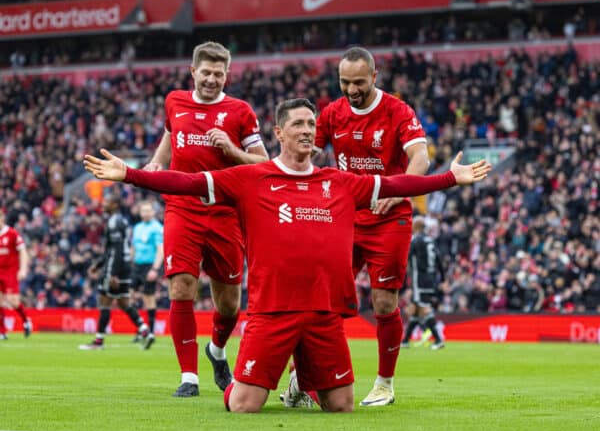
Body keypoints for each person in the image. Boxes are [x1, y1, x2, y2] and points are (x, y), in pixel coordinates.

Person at [83, 98, 491, 412]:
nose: (308, 130)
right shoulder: (250, 178)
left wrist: (451, 178)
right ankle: (243, 379)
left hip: (324, 314)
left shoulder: (341, 182)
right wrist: (132, 175)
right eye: (298, 123)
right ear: (278, 131)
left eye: (312, 124)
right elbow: (188, 182)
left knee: (341, 406)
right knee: (245, 405)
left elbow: (400, 186)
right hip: (271, 313)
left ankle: (298, 384)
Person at [144, 41, 269, 396]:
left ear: (226, 75)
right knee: (181, 286)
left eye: (219, 73)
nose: (212, 79)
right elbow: (170, 137)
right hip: (182, 206)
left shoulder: (240, 111)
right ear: (193, 71)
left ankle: (216, 350)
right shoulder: (175, 101)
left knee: (228, 304)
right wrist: (157, 161)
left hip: (226, 211)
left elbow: (264, 162)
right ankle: (189, 377)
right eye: (206, 72)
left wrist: (231, 150)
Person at [313, 46, 431, 406]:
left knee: (383, 301)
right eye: (345, 82)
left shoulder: (397, 111)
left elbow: (420, 157)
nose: (351, 90)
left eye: (359, 82)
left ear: (375, 77)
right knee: (322, 298)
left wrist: (396, 193)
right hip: (346, 216)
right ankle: (307, 377)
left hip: (389, 217)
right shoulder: (332, 113)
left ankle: (384, 383)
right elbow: (308, 156)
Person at [79, 194, 151, 350]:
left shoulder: (113, 222)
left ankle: (98, 342)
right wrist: (98, 265)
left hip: (115, 267)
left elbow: (116, 249)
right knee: (123, 302)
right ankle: (144, 330)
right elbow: (115, 248)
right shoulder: (123, 220)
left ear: (115, 204)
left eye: (107, 202)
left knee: (104, 302)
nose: (103, 204)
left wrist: (112, 273)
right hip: (126, 266)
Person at [401, 216, 445, 350]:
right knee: (416, 308)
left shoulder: (416, 240)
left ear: (416, 227)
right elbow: (439, 259)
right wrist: (442, 278)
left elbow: (405, 258)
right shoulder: (430, 241)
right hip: (430, 279)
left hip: (419, 280)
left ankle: (438, 339)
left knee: (424, 308)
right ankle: (405, 341)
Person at [130, 201, 164, 349]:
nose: (146, 213)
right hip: (136, 266)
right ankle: (141, 328)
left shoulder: (157, 228)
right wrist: (129, 264)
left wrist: (155, 269)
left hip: (149, 266)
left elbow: (160, 249)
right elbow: (133, 247)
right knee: (128, 296)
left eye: (148, 210)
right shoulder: (137, 228)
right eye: (143, 211)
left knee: (148, 297)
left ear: (153, 212)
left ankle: (150, 331)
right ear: (140, 212)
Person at [0, 208, 31, 339]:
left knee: (14, 302)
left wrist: (23, 269)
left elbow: (23, 251)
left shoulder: (12, 233)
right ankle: (2, 331)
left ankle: (26, 321)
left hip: (10, 271)